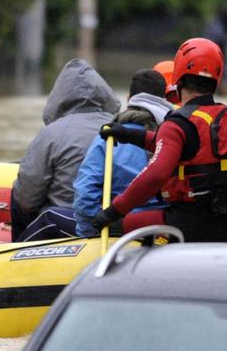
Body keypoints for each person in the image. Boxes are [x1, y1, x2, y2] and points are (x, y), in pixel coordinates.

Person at [93, 37, 227, 243]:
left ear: (178, 76)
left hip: (191, 224)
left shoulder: (177, 124)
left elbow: (155, 175)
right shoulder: (224, 117)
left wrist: (113, 211)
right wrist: (128, 135)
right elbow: (183, 149)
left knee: (111, 227)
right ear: (217, 78)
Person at [10, 59, 121, 242]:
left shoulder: (51, 134)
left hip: (66, 221)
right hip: (117, 222)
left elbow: (26, 197)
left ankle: (16, 250)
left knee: (17, 195)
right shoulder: (123, 128)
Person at [71, 68, 175, 238]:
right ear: (165, 100)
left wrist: (89, 236)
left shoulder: (107, 138)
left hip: (117, 230)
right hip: (163, 232)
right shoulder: (174, 137)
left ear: (129, 99)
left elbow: (85, 195)